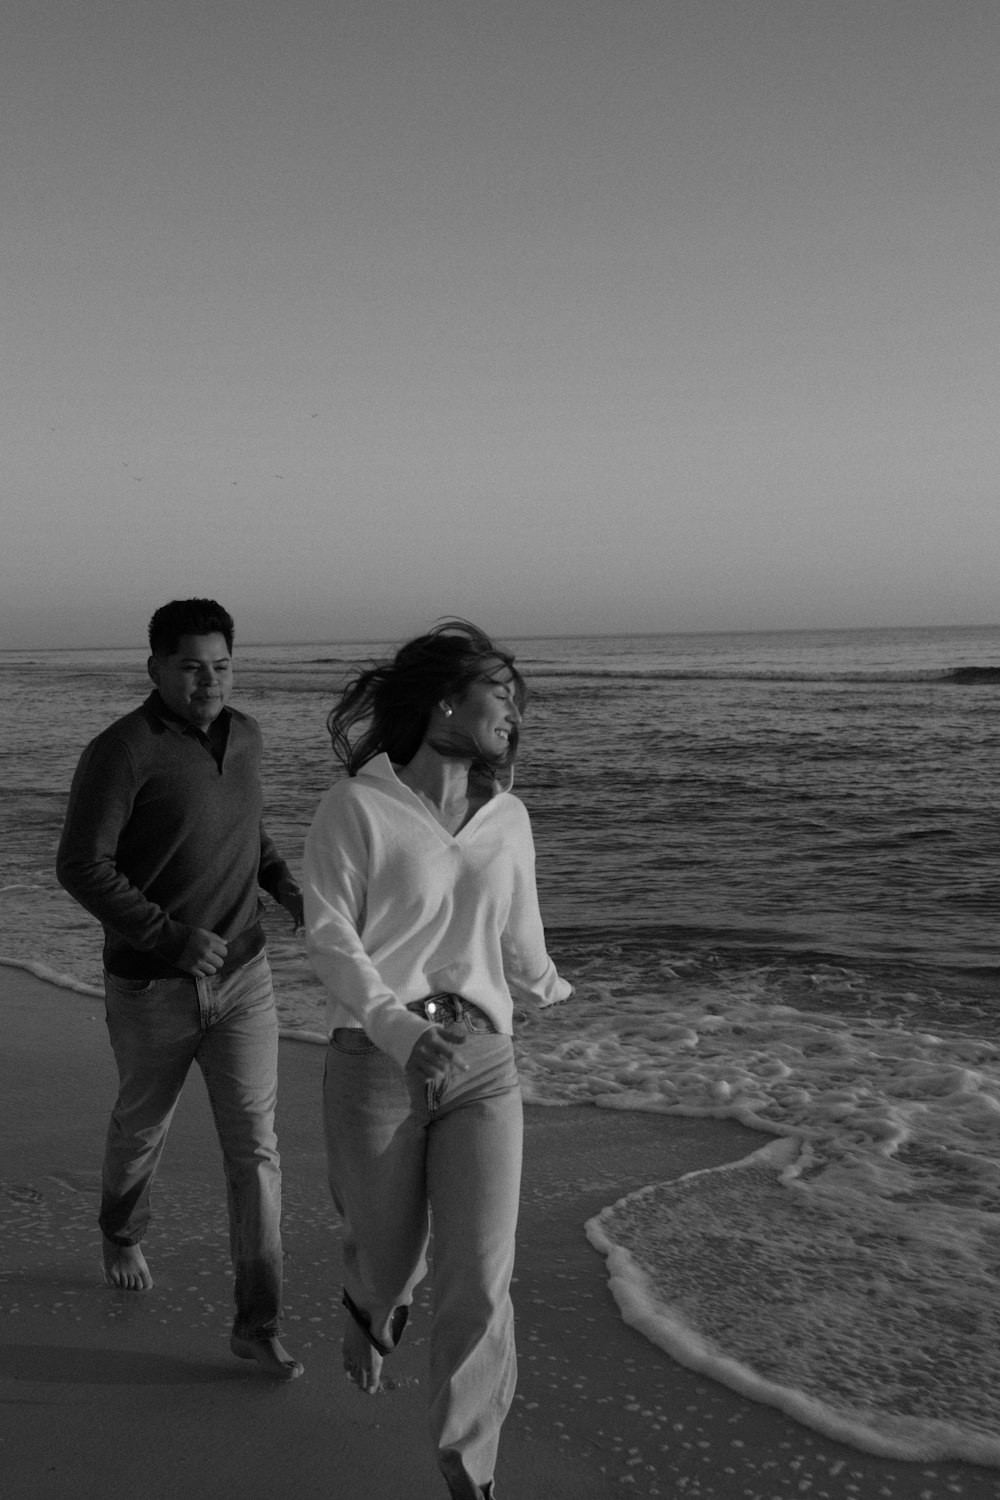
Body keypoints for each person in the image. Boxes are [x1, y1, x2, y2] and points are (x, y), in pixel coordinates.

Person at [303, 619, 572, 1500]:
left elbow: (521, 939)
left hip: (485, 1062)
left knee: (481, 1277)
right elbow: (333, 941)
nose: (517, 714)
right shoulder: (358, 807)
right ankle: (369, 1306)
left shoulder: (510, 818)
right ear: (445, 700)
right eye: (504, 693)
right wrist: (399, 1031)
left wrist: (553, 988)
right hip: (380, 1059)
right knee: (387, 1258)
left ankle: (470, 1472)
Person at [56, 597, 304, 1380]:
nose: (209, 683)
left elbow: (249, 832)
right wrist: (167, 934)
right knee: (142, 1128)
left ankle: (256, 1322)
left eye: (222, 666)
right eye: (192, 668)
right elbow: (81, 866)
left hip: (245, 981)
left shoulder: (248, 736)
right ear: (157, 667)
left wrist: (288, 888)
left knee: (257, 1154)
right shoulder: (121, 752)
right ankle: (122, 1230)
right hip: (151, 989)